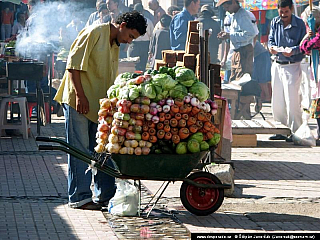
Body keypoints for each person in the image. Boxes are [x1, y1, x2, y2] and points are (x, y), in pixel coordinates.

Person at [54, 11, 147, 210]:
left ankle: (104, 194)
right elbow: (72, 67)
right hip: (78, 101)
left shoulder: (115, 43)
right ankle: (79, 197)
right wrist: (80, 96)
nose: (130, 42)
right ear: (122, 25)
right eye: (130, 36)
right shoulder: (95, 32)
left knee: (102, 150)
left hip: (98, 106)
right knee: (79, 151)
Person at [268, 0, 306, 141]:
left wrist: (293, 51)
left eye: (286, 12)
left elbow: (303, 46)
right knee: (277, 100)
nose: (283, 15)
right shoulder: (274, 22)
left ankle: (295, 131)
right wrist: (271, 47)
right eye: (281, 11)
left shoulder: (300, 24)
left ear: (291, 9)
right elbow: (271, 40)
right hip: (277, 64)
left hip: (292, 65)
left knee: (292, 100)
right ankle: (280, 130)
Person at [217, 0, 256, 81]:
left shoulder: (242, 15)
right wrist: (226, 35)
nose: (227, 10)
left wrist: (229, 35)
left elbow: (250, 33)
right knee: (234, 80)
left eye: (227, 7)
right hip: (237, 52)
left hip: (243, 52)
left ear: (234, 2)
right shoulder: (235, 15)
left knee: (241, 81)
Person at [300, 5, 320, 142]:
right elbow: (303, 49)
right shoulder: (314, 32)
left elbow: (309, 46)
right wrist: (307, 36)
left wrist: (308, 38)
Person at [128, 3, 154, 71]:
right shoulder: (148, 21)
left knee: (133, 66)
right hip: (145, 45)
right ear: (142, 11)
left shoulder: (131, 21)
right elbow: (152, 34)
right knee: (143, 65)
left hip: (134, 45)